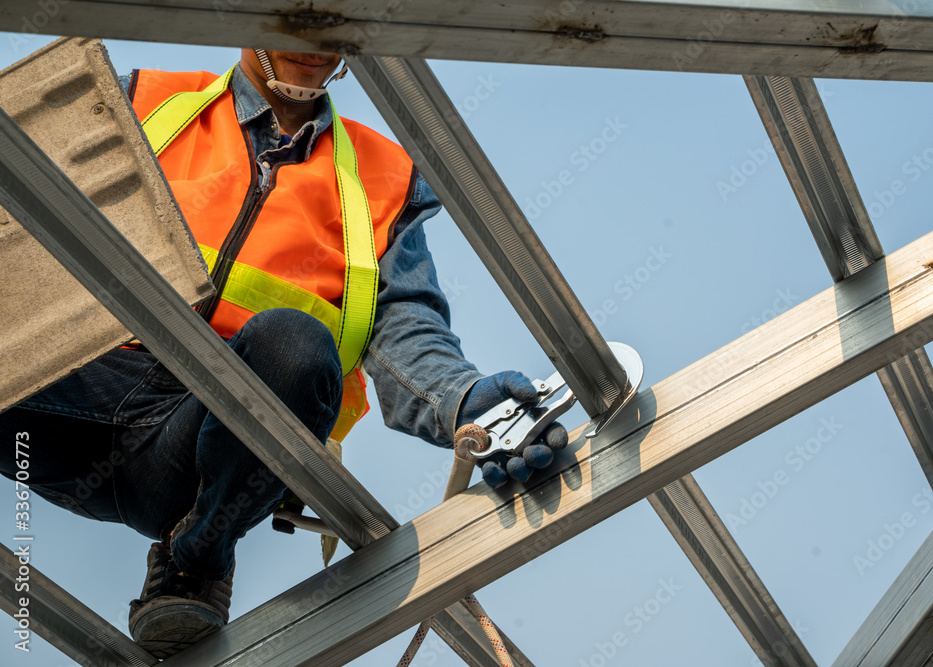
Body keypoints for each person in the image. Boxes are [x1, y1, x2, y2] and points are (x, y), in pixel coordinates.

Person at [0, 48, 566, 658]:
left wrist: (471, 407)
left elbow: (408, 335)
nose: (314, 37)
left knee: (295, 344)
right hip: (63, 393)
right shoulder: (140, 99)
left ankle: (195, 561)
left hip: (201, 451)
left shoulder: (382, 179)